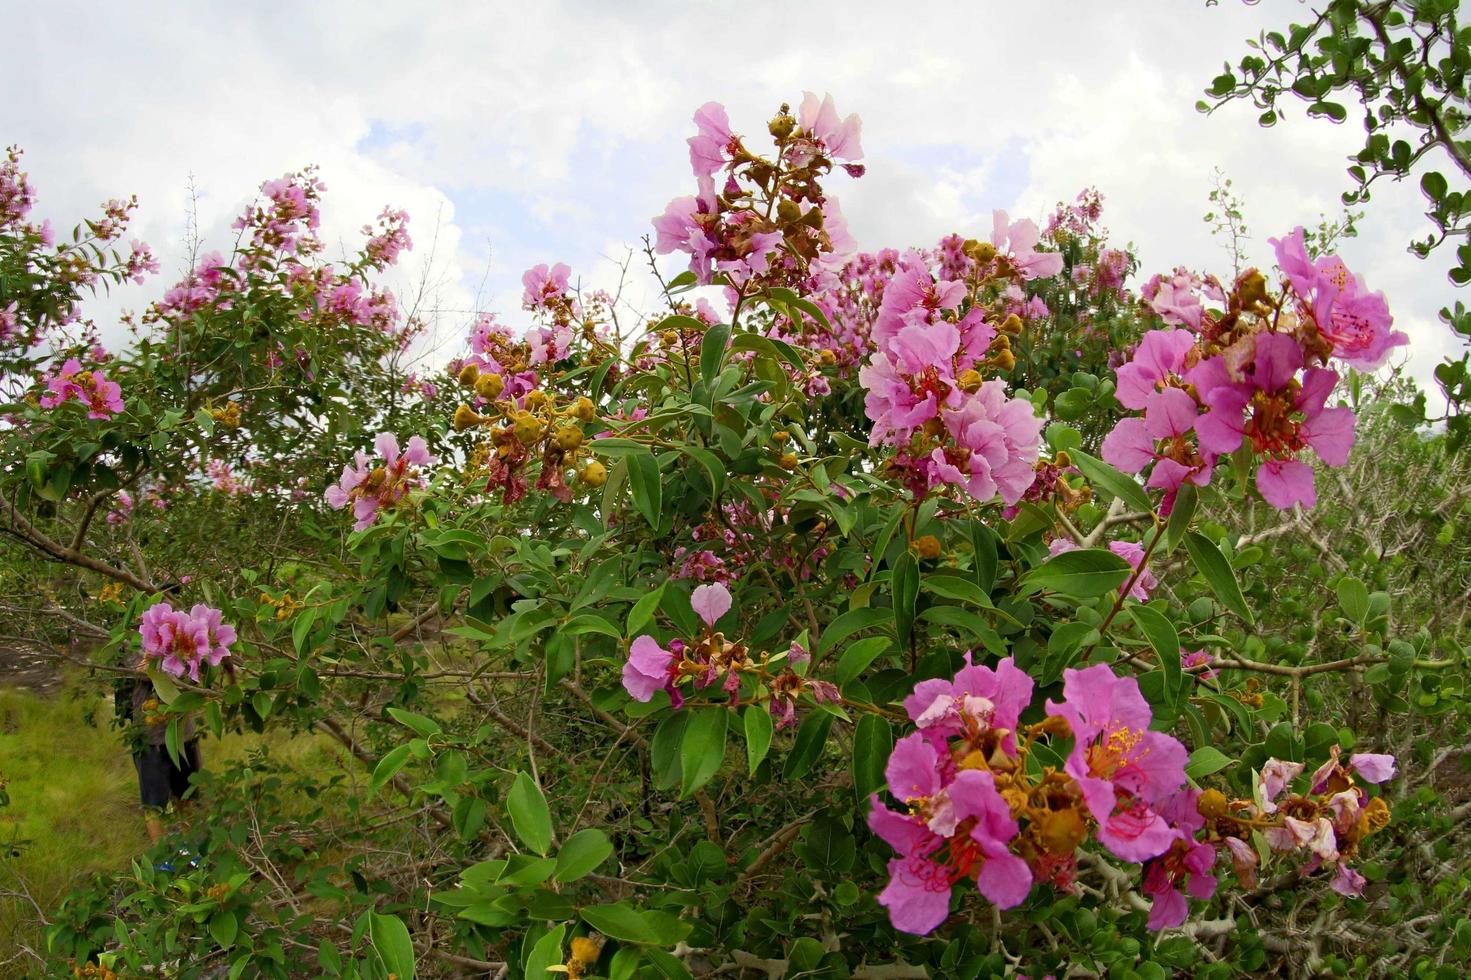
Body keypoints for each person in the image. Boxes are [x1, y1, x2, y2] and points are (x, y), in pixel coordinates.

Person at [116, 676, 201, 843]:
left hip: (184, 734)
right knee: (153, 805)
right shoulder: (129, 649)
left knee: (187, 797)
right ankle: (162, 861)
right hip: (150, 738)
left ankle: (193, 852)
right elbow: (138, 671)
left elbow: (195, 676)